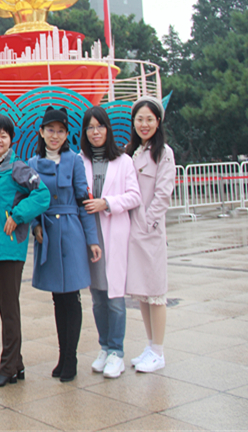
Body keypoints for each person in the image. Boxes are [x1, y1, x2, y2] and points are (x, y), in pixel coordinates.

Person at [28, 106, 101, 383]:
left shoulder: (75, 161)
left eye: (60, 131)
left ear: (67, 134)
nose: (55, 135)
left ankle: (71, 357)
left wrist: (92, 240)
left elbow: (84, 201)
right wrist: (35, 226)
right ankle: (63, 355)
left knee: (72, 297)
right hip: (48, 233)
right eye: (50, 130)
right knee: (58, 298)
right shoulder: (33, 163)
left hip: (71, 232)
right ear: (41, 132)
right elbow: (30, 200)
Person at [0, 115, 50, 388]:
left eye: (3, 135)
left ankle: (6, 367)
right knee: (5, 308)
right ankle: (16, 365)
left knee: (9, 310)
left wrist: (18, 215)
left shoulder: (18, 168)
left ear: (11, 139)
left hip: (9, 248)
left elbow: (42, 195)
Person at [79, 107, 142, 379]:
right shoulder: (80, 160)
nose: (95, 132)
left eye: (100, 126)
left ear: (108, 129)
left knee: (115, 297)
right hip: (90, 234)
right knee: (97, 296)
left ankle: (117, 351)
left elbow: (134, 196)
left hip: (113, 233)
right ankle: (104, 347)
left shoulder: (123, 160)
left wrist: (107, 203)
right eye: (90, 127)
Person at [125, 96, 175, 373]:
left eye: (149, 119)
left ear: (158, 122)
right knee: (142, 293)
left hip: (150, 233)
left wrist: (148, 224)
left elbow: (163, 194)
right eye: (139, 119)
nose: (144, 124)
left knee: (156, 293)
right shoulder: (132, 152)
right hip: (132, 233)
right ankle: (150, 345)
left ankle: (159, 351)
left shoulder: (163, 153)